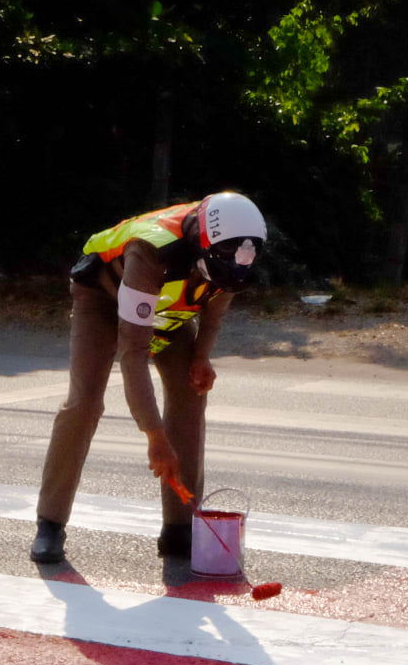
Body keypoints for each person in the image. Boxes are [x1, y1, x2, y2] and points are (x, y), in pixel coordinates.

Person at [30, 191, 265, 563]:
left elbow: (216, 307)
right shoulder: (151, 252)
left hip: (168, 307)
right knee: (86, 401)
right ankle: (50, 523)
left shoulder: (231, 255)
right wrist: (155, 436)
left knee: (191, 390)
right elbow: (133, 355)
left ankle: (179, 529)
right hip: (105, 300)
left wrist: (201, 356)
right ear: (202, 244)